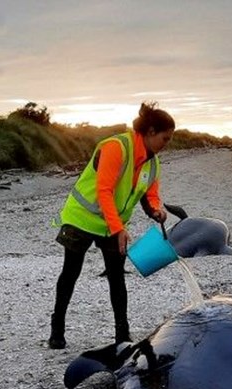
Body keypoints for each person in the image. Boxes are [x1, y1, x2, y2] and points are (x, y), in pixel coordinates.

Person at [48, 102, 175, 349]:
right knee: (71, 272)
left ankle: (122, 335)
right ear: (150, 132)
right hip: (81, 219)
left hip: (111, 225)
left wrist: (156, 211)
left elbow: (149, 194)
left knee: (117, 278)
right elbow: (103, 191)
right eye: (165, 139)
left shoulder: (153, 162)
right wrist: (119, 229)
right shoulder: (116, 147)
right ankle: (57, 328)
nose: (166, 144)